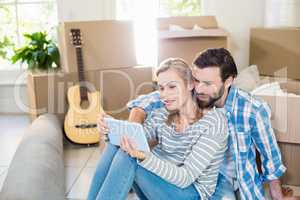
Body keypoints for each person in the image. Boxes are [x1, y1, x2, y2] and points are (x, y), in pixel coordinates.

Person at [126, 48, 288, 200]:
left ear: (228, 81)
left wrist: (277, 194)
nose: (200, 89)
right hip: (192, 175)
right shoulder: (192, 93)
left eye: (208, 83)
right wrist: (131, 130)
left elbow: (269, 154)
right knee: (127, 157)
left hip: (224, 179)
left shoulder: (252, 110)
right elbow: (149, 100)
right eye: (197, 80)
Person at [87, 58, 228, 200]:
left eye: (172, 87)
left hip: (192, 193)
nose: (164, 95)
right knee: (117, 146)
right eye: (161, 88)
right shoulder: (162, 113)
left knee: (129, 156)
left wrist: (144, 157)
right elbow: (135, 135)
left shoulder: (214, 123)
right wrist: (110, 128)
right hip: (161, 185)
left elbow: (186, 177)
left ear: (190, 84)